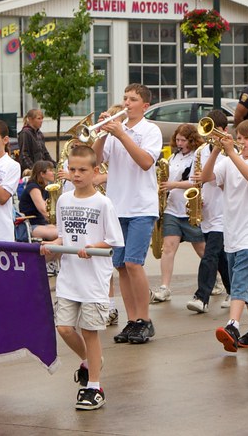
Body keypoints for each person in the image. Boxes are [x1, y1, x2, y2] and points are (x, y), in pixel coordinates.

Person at [41, 145, 124, 410]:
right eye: (72, 169)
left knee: (90, 331)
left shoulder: (103, 203)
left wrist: (92, 249)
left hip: (93, 280)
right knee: (64, 328)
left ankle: (94, 386)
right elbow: (64, 236)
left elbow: (113, 241)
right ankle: (91, 361)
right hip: (69, 278)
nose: (76, 175)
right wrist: (52, 246)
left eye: (82, 170)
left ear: (95, 171)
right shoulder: (64, 200)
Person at [92, 83, 163, 345]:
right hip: (116, 206)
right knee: (120, 266)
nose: (126, 103)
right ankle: (132, 320)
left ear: (144, 105)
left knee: (134, 263)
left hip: (141, 206)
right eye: (124, 98)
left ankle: (145, 320)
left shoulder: (150, 130)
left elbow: (146, 162)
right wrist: (101, 134)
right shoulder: (114, 132)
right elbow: (96, 161)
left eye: (132, 99)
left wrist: (121, 134)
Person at [199, 119, 248, 352]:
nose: (241, 141)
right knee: (247, 281)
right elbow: (206, 178)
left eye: (246, 138)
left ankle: (232, 324)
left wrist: (231, 152)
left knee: (240, 278)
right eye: (238, 137)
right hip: (231, 229)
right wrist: (215, 150)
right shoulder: (229, 160)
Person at [150, 123, 207, 303]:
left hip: (189, 208)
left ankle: (217, 280)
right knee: (168, 248)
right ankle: (165, 287)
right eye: (178, 139)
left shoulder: (196, 157)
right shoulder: (174, 156)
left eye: (183, 140)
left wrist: (172, 185)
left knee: (202, 249)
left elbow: (196, 182)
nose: (179, 143)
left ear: (191, 140)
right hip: (172, 209)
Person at [188, 109, 231, 313]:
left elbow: (217, 177)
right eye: (208, 131)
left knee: (210, 255)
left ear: (224, 130)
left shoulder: (232, 151)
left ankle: (201, 297)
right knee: (220, 256)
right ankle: (233, 291)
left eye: (215, 131)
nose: (210, 135)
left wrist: (206, 176)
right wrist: (197, 197)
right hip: (208, 211)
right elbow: (196, 180)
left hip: (225, 211)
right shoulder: (200, 151)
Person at [19, 160, 59, 241]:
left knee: (65, 232)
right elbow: (43, 210)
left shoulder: (46, 188)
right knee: (59, 233)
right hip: (30, 225)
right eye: (50, 170)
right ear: (42, 174)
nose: (53, 173)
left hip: (42, 224)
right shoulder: (33, 187)